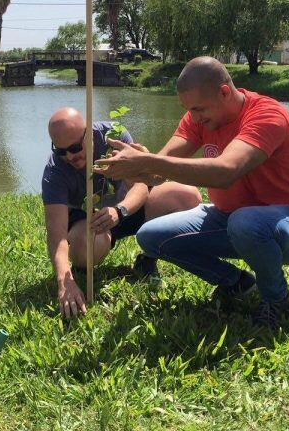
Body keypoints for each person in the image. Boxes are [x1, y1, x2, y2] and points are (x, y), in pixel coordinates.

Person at [96, 58, 289, 329]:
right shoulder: (198, 116)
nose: (194, 117)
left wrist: (149, 163)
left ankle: (276, 299)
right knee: (150, 237)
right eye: (189, 110)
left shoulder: (267, 115)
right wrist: (132, 168)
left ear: (224, 92)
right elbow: (159, 170)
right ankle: (237, 283)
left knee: (245, 223)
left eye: (198, 109)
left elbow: (225, 172)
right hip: (229, 220)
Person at [42, 107, 202, 319]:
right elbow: (57, 233)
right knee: (86, 249)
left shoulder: (115, 136)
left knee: (188, 197)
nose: (70, 156)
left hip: (126, 208)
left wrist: (120, 210)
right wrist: (65, 281)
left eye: (74, 147)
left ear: (88, 134)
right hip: (90, 224)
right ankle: (84, 264)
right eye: (61, 151)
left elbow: (141, 186)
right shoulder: (55, 171)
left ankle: (148, 257)